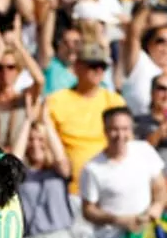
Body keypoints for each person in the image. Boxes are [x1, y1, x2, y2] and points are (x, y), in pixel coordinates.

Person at [81, 106, 167, 238]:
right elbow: (88, 210)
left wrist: (156, 207)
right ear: (105, 131)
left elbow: (161, 187)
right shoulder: (92, 168)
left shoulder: (144, 151)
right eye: (114, 129)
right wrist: (120, 220)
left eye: (125, 129)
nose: (120, 135)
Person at [45, 42, 126, 194]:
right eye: (92, 66)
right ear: (77, 67)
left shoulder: (114, 101)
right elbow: (46, 144)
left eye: (102, 67)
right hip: (69, 187)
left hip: (109, 185)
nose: (98, 71)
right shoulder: (56, 101)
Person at [12, 106, 74, 238]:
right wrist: (27, 121)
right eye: (31, 140)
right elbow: (14, 161)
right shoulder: (22, 174)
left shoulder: (57, 171)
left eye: (40, 139)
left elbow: (62, 160)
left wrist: (46, 123)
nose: (35, 144)